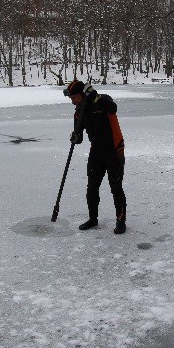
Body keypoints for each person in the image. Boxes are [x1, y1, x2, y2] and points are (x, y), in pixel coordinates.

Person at [64, 80, 126, 234]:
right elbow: (79, 138)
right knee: (92, 187)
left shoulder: (101, 100)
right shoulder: (79, 111)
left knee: (115, 186)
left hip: (114, 150)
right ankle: (93, 218)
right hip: (96, 152)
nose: (73, 102)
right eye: (71, 99)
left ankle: (120, 220)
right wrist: (75, 137)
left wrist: (95, 95)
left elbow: (113, 108)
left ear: (83, 94)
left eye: (74, 98)